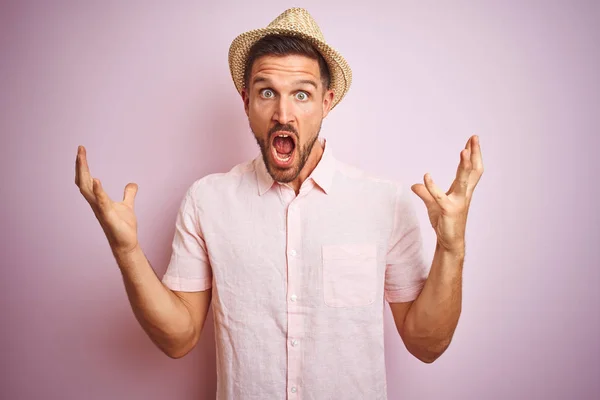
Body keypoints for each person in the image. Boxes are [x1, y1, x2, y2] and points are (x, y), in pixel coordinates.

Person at [74, 7, 484, 399]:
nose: (283, 113)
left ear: (327, 101)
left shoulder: (385, 203)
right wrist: (126, 249)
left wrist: (453, 247)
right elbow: (178, 339)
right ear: (246, 101)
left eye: (302, 95)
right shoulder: (207, 201)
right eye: (267, 92)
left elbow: (426, 345)